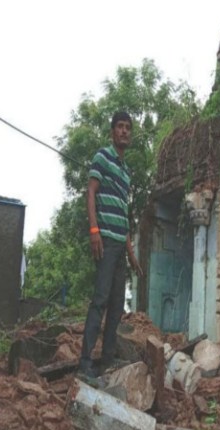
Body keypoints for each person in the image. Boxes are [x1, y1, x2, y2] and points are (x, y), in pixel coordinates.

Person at [78, 111, 143, 378]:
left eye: (128, 127)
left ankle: (106, 361)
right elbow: (91, 192)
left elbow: (124, 215)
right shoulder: (102, 157)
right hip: (104, 241)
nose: (124, 131)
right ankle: (84, 363)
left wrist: (131, 254)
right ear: (112, 131)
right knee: (100, 300)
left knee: (117, 306)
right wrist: (94, 230)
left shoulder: (126, 172)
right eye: (120, 126)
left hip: (120, 247)